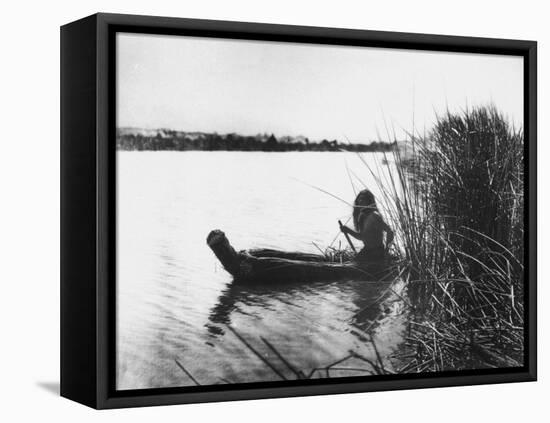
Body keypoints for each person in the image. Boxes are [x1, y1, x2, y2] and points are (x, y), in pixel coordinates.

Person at [339, 189, 394, 262]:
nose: (361, 201)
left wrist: (386, 251)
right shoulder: (366, 215)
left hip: (373, 252)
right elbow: (389, 232)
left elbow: (363, 237)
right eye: (360, 199)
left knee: (355, 265)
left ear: (369, 201)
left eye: (363, 199)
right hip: (373, 250)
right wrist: (385, 251)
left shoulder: (372, 216)